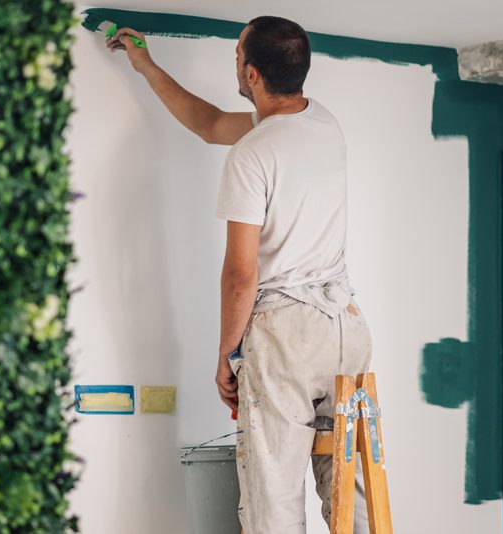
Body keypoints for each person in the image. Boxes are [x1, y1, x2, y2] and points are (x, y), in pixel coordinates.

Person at [107, 16, 372, 534]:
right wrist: (145, 65)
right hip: (345, 327)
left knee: (272, 496)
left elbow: (240, 275)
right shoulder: (321, 121)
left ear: (251, 74)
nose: (234, 63)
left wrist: (229, 354)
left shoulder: (255, 154)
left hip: (287, 336)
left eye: (235, 56)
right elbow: (208, 124)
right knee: (350, 491)